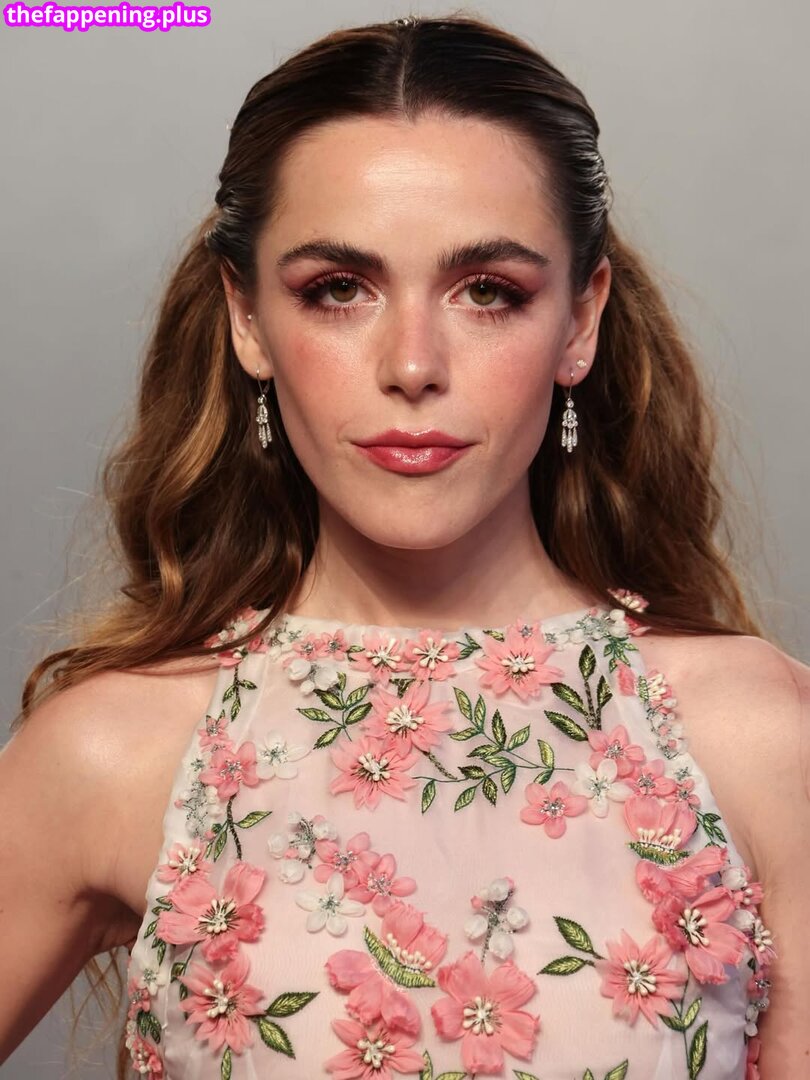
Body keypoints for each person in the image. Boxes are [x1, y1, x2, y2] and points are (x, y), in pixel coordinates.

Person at [0, 12, 807, 1079]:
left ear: (580, 320)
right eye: (338, 289)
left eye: (489, 292)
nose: (413, 365)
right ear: (248, 319)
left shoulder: (762, 739)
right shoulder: (113, 752)